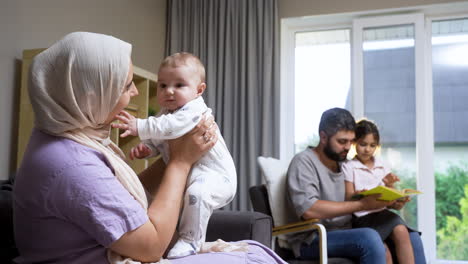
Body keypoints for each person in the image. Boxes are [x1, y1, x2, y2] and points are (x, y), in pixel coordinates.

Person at [13, 32, 286, 264]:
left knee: (249, 251)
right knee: (252, 257)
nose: (134, 93)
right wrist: (180, 162)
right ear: (91, 95)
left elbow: (117, 202)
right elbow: (150, 247)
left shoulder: (68, 138)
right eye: (126, 85)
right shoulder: (72, 164)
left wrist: (174, 154)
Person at [112, 52, 237, 258]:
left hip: (216, 176)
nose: (169, 91)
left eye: (179, 85)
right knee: (186, 198)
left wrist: (140, 125)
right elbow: (164, 138)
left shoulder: (194, 110)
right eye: (162, 85)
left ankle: (191, 240)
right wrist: (149, 149)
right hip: (194, 172)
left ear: (199, 90)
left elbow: (171, 128)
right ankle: (188, 239)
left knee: (197, 193)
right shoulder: (167, 113)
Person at [286, 108, 426, 263]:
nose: (348, 147)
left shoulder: (345, 164)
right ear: (323, 137)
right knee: (369, 238)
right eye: (341, 141)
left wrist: (390, 202)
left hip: (350, 229)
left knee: (411, 236)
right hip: (313, 238)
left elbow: (363, 199)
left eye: (351, 141)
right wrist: (362, 204)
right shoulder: (303, 162)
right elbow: (309, 209)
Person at [343, 119, 415, 264]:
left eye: (372, 145)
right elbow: (348, 197)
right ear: (355, 143)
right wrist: (360, 194)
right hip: (363, 217)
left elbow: (390, 195)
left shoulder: (382, 165)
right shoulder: (349, 166)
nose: (367, 149)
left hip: (383, 213)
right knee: (384, 251)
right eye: (363, 144)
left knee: (402, 231)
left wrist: (393, 190)